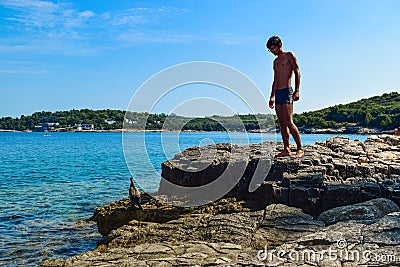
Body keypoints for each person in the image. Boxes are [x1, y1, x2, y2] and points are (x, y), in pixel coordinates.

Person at [266, 36, 304, 158]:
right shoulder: (275, 62)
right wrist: (272, 96)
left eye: (273, 48)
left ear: (280, 45)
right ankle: (286, 149)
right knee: (282, 123)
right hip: (278, 93)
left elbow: (297, 71)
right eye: (270, 50)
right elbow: (275, 80)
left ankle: (300, 148)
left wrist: (297, 90)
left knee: (289, 121)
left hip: (287, 91)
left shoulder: (289, 55)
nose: (272, 51)